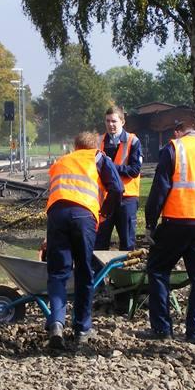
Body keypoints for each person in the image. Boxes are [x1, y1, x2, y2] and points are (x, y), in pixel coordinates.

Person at [140, 120, 195, 343]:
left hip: (176, 220)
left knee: (158, 270)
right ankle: (194, 334)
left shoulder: (173, 149)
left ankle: (162, 330)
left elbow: (159, 190)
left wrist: (150, 223)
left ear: (181, 132)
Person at [45, 131, 122, 348]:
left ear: (75, 146)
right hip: (83, 216)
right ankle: (82, 328)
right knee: (84, 273)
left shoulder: (62, 161)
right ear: (95, 146)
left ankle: (57, 323)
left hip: (57, 215)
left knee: (58, 273)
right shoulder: (98, 157)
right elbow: (117, 188)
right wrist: (105, 212)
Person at [93, 105, 143, 251]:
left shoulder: (133, 141)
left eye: (114, 121)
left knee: (127, 243)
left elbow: (134, 170)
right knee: (100, 241)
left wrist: (110, 166)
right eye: (107, 121)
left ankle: (125, 272)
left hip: (126, 198)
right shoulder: (99, 141)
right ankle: (98, 273)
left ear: (122, 121)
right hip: (105, 199)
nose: (110, 125)